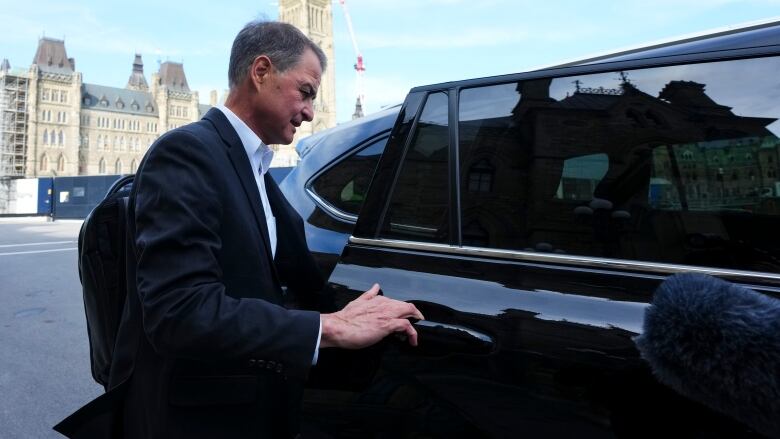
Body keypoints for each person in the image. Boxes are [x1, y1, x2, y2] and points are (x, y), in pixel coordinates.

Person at [55, 20, 423, 439]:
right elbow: (180, 310)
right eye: (305, 92)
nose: (309, 111)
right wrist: (330, 328)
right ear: (261, 71)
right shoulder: (186, 153)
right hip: (194, 421)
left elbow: (292, 280)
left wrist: (361, 308)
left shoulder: (258, 170)